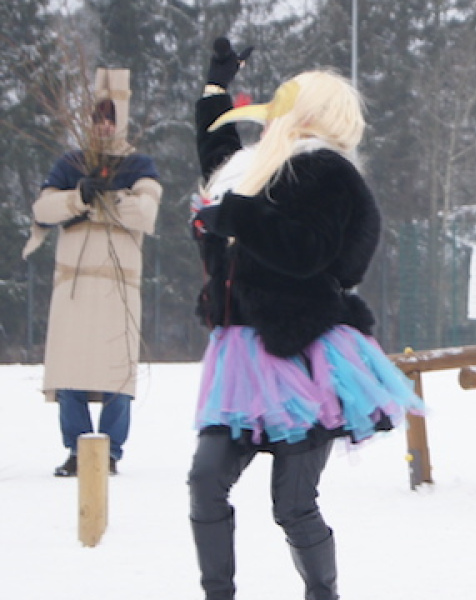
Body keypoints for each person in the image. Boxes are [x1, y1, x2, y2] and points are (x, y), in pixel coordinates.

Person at [188, 39, 421, 599]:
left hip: (305, 352)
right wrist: (216, 89)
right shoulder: (255, 169)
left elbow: (308, 251)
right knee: (205, 481)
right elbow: (220, 158)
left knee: (293, 504)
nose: (272, 113)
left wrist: (237, 217)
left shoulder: (329, 173)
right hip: (242, 352)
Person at [23, 68, 161, 477]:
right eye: (98, 118)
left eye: (111, 119)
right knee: (71, 369)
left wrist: (110, 199)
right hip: (75, 285)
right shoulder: (70, 163)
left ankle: (111, 451)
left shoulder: (139, 164)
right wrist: (78, 197)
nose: (104, 126)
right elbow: (42, 210)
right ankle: (78, 448)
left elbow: (146, 212)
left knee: (117, 373)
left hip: (118, 285)